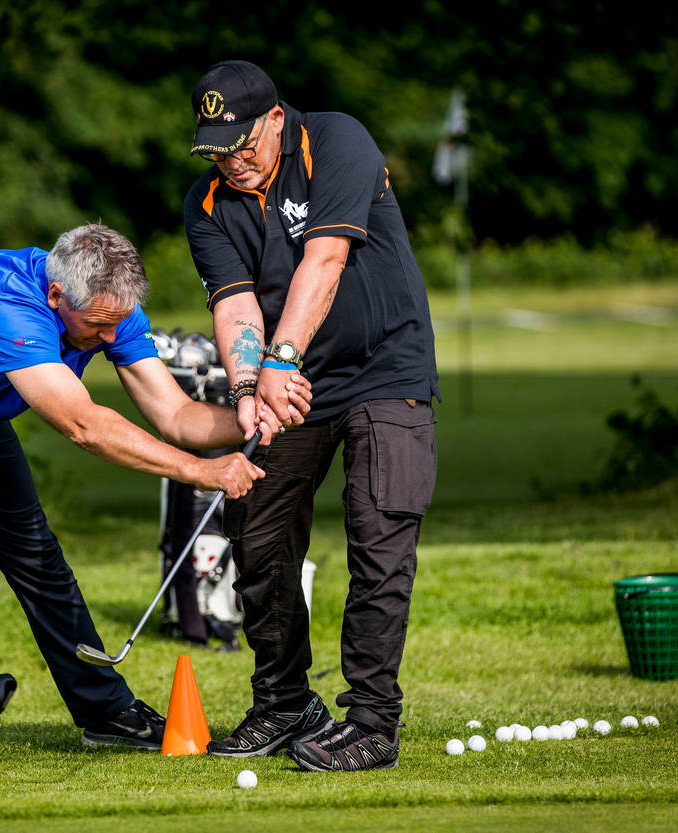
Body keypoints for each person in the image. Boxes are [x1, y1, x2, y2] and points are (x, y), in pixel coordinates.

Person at [0, 223, 311, 777]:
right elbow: (83, 425)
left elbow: (177, 415)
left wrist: (255, 413)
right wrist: (202, 471)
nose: (110, 337)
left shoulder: (110, 308)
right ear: (57, 295)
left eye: (117, 323)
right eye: (97, 326)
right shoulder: (8, 305)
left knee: (36, 553)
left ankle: (105, 712)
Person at [184, 60, 440, 771]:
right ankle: (284, 701)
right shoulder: (207, 203)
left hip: (385, 366)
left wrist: (282, 357)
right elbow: (235, 304)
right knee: (257, 529)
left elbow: (324, 261)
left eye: (242, 144)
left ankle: (372, 721)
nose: (231, 161)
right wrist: (247, 388)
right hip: (289, 380)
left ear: (274, 119)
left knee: (378, 533)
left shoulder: (335, 141)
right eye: (216, 149)